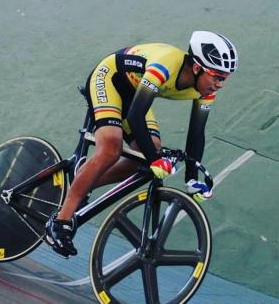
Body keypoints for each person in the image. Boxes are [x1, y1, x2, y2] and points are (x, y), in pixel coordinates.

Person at [44, 31, 239, 257]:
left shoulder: (206, 91)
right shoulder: (166, 65)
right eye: (216, 76)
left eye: (224, 78)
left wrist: (191, 179)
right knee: (111, 147)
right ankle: (60, 222)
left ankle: (84, 179)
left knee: (146, 152)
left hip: (134, 93)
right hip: (110, 78)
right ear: (197, 67)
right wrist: (156, 160)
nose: (219, 84)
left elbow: (197, 133)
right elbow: (137, 115)